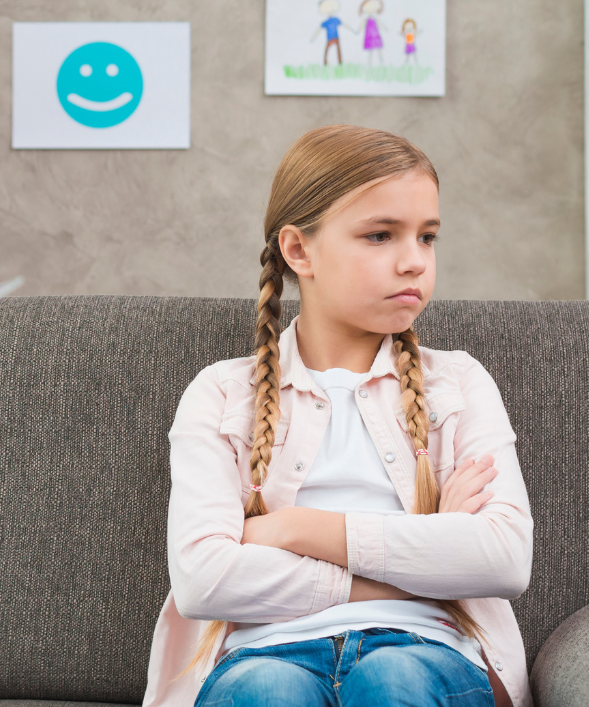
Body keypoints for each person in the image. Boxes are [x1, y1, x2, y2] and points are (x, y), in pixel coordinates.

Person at [142, 126, 532, 707]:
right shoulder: (222, 394)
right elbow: (203, 580)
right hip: (263, 652)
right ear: (299, 250)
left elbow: (502, 560)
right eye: (380, 235)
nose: (413, 262)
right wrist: (427, 552)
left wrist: (291, 529)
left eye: (427, 237)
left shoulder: (459, 384)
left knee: (391, 681)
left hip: (427, 648)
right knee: (267, 689)